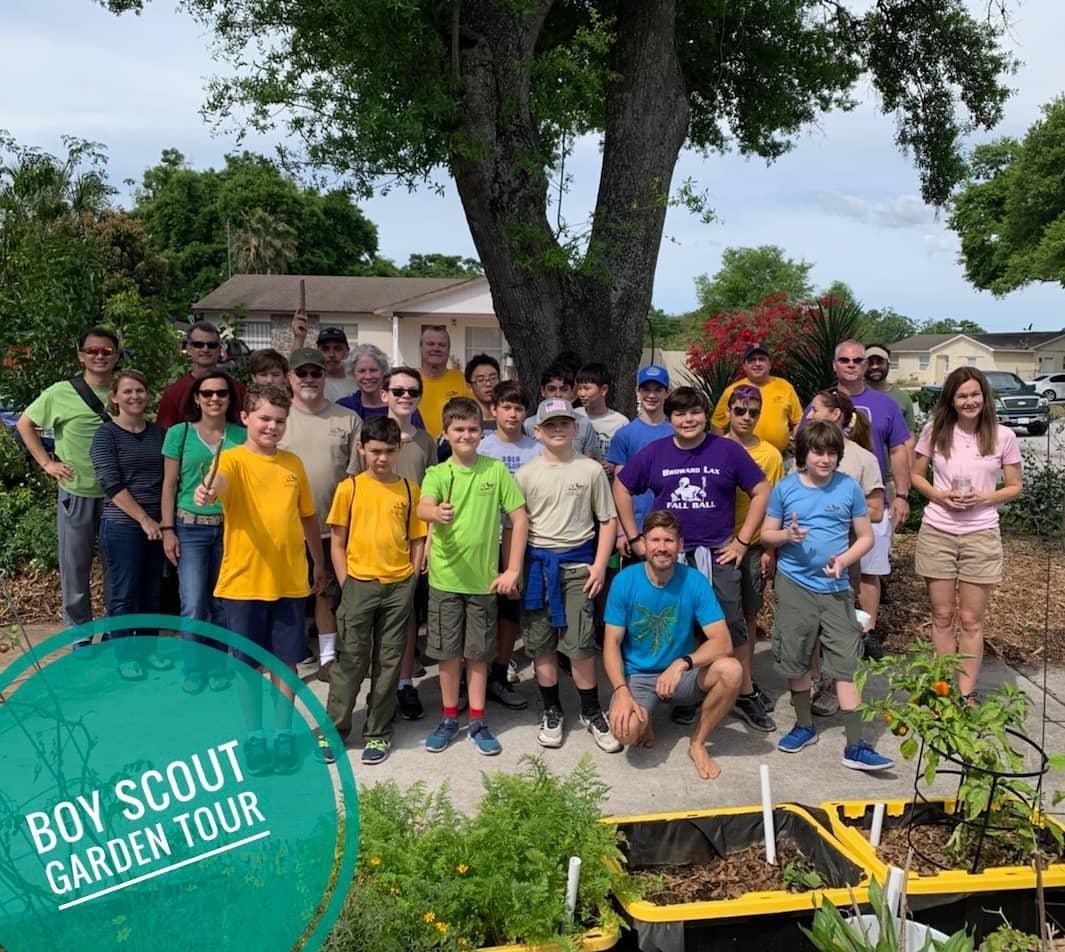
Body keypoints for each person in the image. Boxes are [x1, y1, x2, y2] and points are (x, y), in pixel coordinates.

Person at [613, 386, 772, 731]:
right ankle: (689, 694)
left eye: (695, 412)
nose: (688, 419)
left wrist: (743, 542)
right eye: (680, 413)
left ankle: (743, 692)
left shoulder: (727, 451)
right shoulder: (655, 453)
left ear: (706, 414)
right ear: (669, 419)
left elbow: (761, 490)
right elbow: (622, 486)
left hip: (717, 554)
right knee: (680, 626)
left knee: (732, 626)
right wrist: (635, 536)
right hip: (669, 555)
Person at [194, 384, 326, 777]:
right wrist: (206, 490)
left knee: (286, 663)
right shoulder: (232, 460)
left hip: (289, 579)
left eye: (280, 420)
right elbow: (216, 484)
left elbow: (307, 517)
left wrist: (317, 563)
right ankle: (255, 736)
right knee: (247, 665)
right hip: (243, 582)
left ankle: (284, 733)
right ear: (246, 418)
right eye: (265, 418)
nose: (272, 426)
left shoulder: (292, 464)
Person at [760, 421, 892, 771]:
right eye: (818, 451)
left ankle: (856, 745)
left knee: (846, 664)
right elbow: (765, 535)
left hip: (836, 590)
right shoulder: (785, 489)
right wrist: (786, 536)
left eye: (832, 452)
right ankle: (804, 725)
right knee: (796, 657)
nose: (825, 459)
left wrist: (844, 560)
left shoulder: (848, 488)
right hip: (794, 586)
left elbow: (865, 537)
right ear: (803, 453)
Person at [417, 397, 528, 756]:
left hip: (483, 583)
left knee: (478, 654)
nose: (466, 435)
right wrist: (435, 512)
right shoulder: (437, 473)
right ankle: (450, 717)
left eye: (472, 429)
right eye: (458, 429)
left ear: (482, 433)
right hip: (445, 581)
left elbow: (519, 518)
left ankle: (478, 720)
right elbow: (421, 507)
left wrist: (512, 568)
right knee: (448, 655)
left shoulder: (495, 470)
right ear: (445, 434)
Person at [317, 416, 428, 766]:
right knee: (350, 659)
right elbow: (337, 543)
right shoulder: (350, 489)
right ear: (361, 448)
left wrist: (411, 574)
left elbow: (417, 537)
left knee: (389, 660)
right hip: (359, 584)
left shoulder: (410, 489)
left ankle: (378, 731)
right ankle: (335, 727)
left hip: (398, 585)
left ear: (399, 450)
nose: (382, 458)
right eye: (375, 451)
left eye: (389, 452)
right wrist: (347, 581)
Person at [513, 398, 621, 753]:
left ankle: (591, 710)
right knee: (541, 643)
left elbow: (607, 519)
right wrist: (513, 570)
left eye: (566, 423)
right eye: (551, 424)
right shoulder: (526, 474)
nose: (559, 429)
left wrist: (600, 565)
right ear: (538, 430)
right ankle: (551, 710)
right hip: (538, 568)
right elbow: (517, 526)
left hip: (578, 567)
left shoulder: (589, 470)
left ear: (576, 428)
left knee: (579, 643)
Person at [910, 367, 1022, 702]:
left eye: (975, 394)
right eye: (962, 395)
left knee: (971, 619)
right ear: (951, 400)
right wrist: (939, 495)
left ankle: (965, 692)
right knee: (942, 616)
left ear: (985, 397)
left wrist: (985, 497)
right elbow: (916, 476)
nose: (969, 401)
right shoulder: (935, 430)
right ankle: (943, 689)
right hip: (938, 530)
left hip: (980, 533)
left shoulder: (1003, 436)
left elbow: (1015, 486)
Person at [604, 511, 742, 780]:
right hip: (638, 675)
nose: (662, 547)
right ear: (643, 544)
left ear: (680, 545)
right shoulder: (625, 580)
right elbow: (611, 643)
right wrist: (621, 691)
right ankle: (645, 719)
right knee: (625, 732)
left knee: (732, 670)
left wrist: (682, 663)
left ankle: (698, 743)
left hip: (681, 676)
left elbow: (723, 641)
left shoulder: (694, 580)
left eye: (669, 540)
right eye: (655, 540)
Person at [17, 327, 119, 648]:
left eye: (106, 351)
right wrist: (47, 463)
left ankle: (118, 634)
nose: (99, 356)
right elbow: (25, 424)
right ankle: (80, 639)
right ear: (81, 356)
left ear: (116, 356)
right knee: (75, 570)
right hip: (77, 493)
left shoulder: (125, 390)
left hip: (119, 497)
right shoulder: (62, 392)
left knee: (118, 570)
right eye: (93, 351)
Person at [349, 365, 438, 720]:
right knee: (368, 621)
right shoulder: (367, 434)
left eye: (412, 392)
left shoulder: (425, 441)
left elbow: (433, 494)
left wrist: (428, 541)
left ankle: (403, 684)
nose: (405, 397)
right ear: (383, 394)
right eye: (397, 390)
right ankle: (376, 688)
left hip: (410, 542)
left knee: (406, 618)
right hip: (370, 544)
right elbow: (354, 490)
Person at [278, 348, 362, 680]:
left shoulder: (347, 418)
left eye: (316, 373)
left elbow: (355, 478)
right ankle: (292, 654)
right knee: (288, 596)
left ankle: (327, 657)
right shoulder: (277, 418)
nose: (309, 379)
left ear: (325, 376)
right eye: (303, 374)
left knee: (325, 593)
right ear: (290, 378)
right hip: (284, 528)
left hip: (332, 527)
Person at [161, 369, 246, 694]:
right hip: (190, 528)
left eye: (221, 393)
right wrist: (168, 529)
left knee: (223, 603)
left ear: (230, 398)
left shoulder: (241, 435)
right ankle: (194, 668)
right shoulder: (179, 434)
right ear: (196, 398)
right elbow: (169, 486)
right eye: (207, 393)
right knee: (194, 603)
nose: (214, 399)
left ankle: (217, 666)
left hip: (231, 529)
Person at [802, 389, 885, 717]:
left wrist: (835, 510)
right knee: (808, 623)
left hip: (843, 556)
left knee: (837, 624)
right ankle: (814, 677)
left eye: (815, 409)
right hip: (804, 557)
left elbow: (876, 510)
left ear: (835, 414)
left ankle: (836, 684)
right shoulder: (803, 452)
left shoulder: (862, 459)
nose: (808, 415)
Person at [89, 370, 173, 680]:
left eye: (140, 390)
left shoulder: (159, 434)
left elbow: (169, 479)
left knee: (152, 592)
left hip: (156, 525)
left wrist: (163, 523)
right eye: (127, 391)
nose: (134, 396)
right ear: (114, 397)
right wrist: (145, 520)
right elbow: (110, 483)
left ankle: (148, 652)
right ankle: (124, 655)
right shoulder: (106, 435)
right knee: (123, 593)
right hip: (122, 525)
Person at [831, 340, 912, 661]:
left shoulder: (885, 404)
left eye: (857, 360)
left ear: (865, 365)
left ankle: (867, 632)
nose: (851, 364)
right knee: (834, 568)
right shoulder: (823, 402)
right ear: (835, 364)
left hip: (872, 498)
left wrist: (903, 495)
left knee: (869, 570)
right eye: (845, 360)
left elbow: (899, 450)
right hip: (829, 503)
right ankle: (836, 630)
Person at [722, 385, 784, 731]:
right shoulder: (713, 447)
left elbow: (774, 506)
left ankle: (744, 686)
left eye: (753, 412)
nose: (746, 417)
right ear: (728, 412)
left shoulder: (770, 456)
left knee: (746, 617)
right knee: (704, 619)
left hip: (751, 546)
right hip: (714, 542)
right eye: (740, 410)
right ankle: (705, 686)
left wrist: (769, 549)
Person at [478, 380, 543, 708]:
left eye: (519, 408)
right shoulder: (482, 448)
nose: (513, 414)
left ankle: (500, 674)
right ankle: (474, 676)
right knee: (480, 611)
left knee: (510, 610)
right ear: (494, 410)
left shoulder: (537, 448)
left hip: (523, 540)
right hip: (485, 540)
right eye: (507, 407)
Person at [608, 365, 672, 563]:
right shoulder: (625, 435)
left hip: (671, 528)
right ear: (637, 391)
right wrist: (621, 532)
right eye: (646, 389)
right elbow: (618, 486)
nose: (651, 395)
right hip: (636, 529)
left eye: (657, 389)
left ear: (666, 393)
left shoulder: (677, 432)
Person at [710, 342, 802, 455]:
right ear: (744, 365)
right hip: (741, 457)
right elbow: (717, 424)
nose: (757, 364)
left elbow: (798, 422)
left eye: (762, 359)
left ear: (770, 364)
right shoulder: (733, 391)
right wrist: (721, 452)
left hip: (780, 457)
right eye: (752, 360)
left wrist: (800, 450)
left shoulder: (785, 387)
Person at [156, 321, 246, 429]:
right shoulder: (174, 393)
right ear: (189, 349)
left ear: (219, 349)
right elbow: (164, 434)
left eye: (211, 345)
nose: (205, 349)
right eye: (198, 344)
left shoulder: (237, 389)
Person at [522, 365, 601, 458]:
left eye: (564, 389)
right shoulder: (528, 425)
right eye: (551, 389)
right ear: (543, 391)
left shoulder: (584, 424)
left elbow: (589, 462)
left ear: (572, 392)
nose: (558, 394)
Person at [575, 361, 629, 468]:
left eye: (587, 388)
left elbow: (629, 456)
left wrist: (614, 464)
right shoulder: (573, 416)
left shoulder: (621, 422)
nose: (581, 393)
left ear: (603, 390)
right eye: (579, 388)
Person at [291, 308, 353, 402]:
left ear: (347, 351)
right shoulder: (311, 381)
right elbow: (294, 366)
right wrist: (299, 338)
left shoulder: (358, 381)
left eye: (337, 349)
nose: (331, 354)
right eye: (325, 349)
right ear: (318, 351)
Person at [417, 324, 468, 439]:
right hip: (418, 449)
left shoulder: (462, 381)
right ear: (420, 348)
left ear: (448, 349)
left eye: (442, 345)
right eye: (430, 344)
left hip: (453, 451)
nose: (436, 348)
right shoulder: (410, 382)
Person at [864, 345, 916, 433]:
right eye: (870, 363)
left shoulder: (903, 398)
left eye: (880, 362)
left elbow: (909, 436)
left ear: (888, 365)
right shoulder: (852, 395)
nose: (875, 367)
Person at [464, 353, 502, 431]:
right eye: (481, 380)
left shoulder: (511, 419)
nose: (488, 384)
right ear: (469, 387)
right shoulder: (463, 422)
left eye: (493, 378)